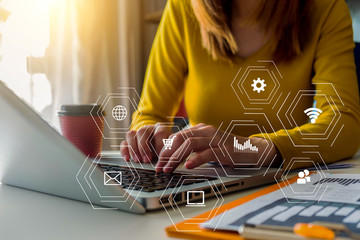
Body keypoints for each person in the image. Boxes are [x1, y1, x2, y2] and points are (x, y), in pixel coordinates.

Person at [120, 0, 360, 173]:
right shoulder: (184, 7)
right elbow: (150, 114)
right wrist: (148, 137)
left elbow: (344, 124)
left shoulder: (326, 8)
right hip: (204, 180)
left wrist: (259, 148)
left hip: (286, 182)